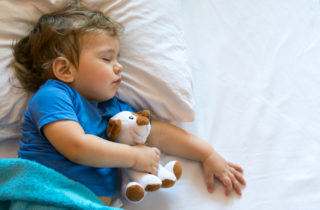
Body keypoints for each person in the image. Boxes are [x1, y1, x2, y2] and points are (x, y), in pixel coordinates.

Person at [12, 4, 246, 206]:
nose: (118, 66)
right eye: (107, 58)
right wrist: (134, 157)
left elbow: (159, 134)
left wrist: (206, 153)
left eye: (118, 58)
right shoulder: (53, 95)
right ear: (64, 69)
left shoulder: (113, 109)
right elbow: (76, 146)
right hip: (46, 196)